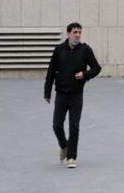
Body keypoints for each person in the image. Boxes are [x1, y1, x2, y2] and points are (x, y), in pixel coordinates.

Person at [44, 22, 102, 169]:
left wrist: (85, 74)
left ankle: (71, 156)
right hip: (61, 94)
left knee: (74, 126)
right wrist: (47, 92)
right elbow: (51, 72)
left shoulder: (85, 50)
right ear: (68, 33)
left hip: (76, 94)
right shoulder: (59, 50)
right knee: (57, 125)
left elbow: (97, 68)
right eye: (75, 32)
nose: (77, 35)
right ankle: (64, 146)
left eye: (79, 32)